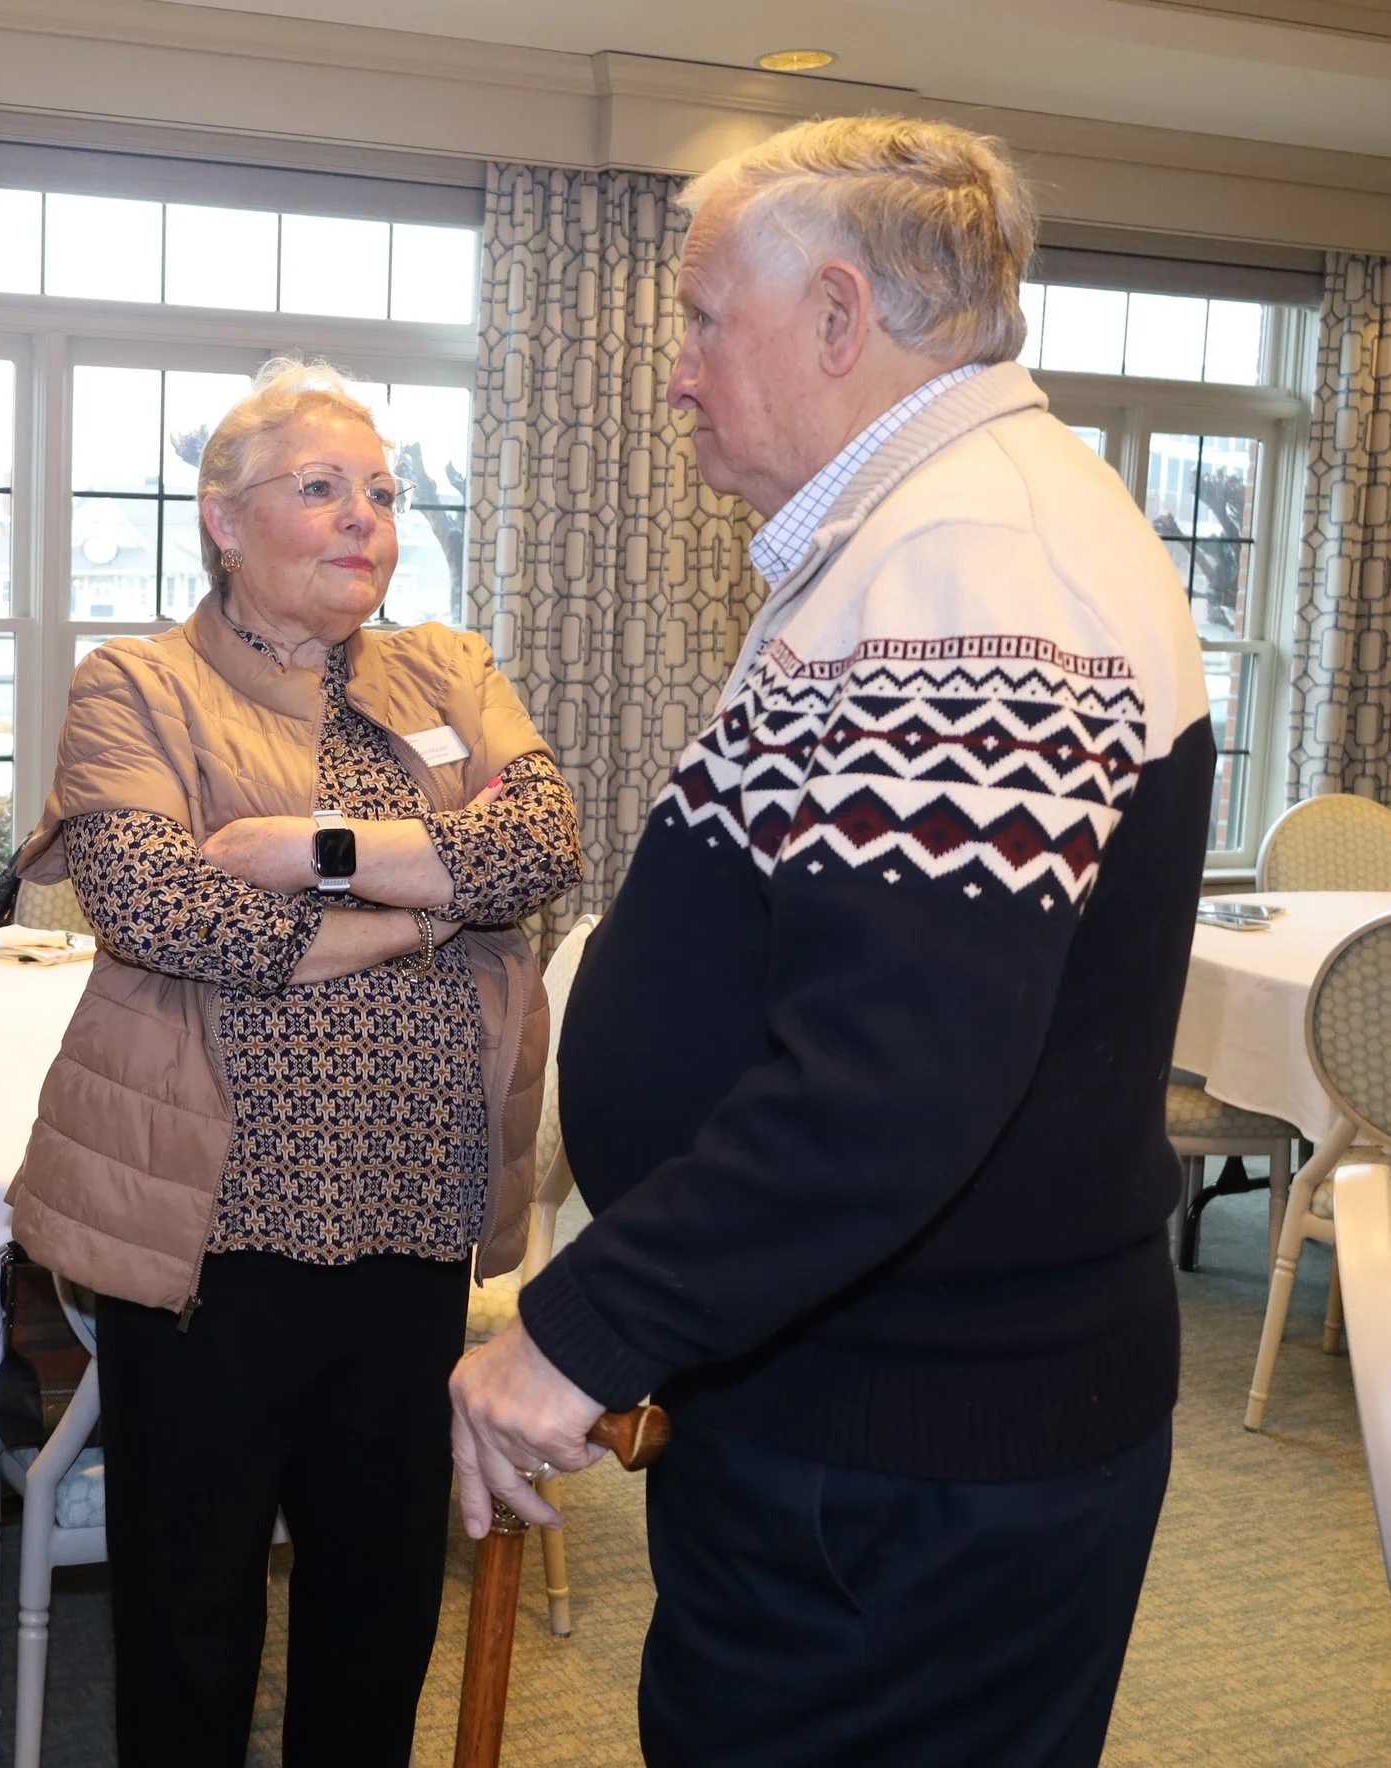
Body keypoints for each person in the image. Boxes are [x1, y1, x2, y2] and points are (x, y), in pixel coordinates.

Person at [449, 118, 1213, 1767]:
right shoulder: (928, 536)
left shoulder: (972, 556)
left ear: (838, 319)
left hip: (910, 1449)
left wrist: (585, 1325)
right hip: (875, 1414)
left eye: (702, 318)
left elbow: (895, 1076)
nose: (676, 373)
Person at [6, 360, 582, 1767]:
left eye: (380, 491)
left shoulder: (446, 669)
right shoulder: (135, 686)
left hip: (414, 1222)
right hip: (211, 1237)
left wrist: (315, 856)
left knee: (378, 1613)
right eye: (319, 488)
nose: (362, 518)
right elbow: (163, 910)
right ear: (222, 515)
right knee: (191, 1626)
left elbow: (544, 846)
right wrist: (425, 910)